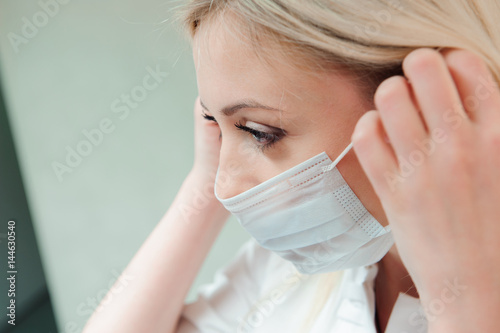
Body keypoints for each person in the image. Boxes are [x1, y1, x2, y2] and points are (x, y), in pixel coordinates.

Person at [82, 1, 500, 332]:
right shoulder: (302, 266)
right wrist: (201, 184)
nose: (225, 191)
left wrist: (467, 302)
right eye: (214, 123)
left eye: (260, 132)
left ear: (425, 100)